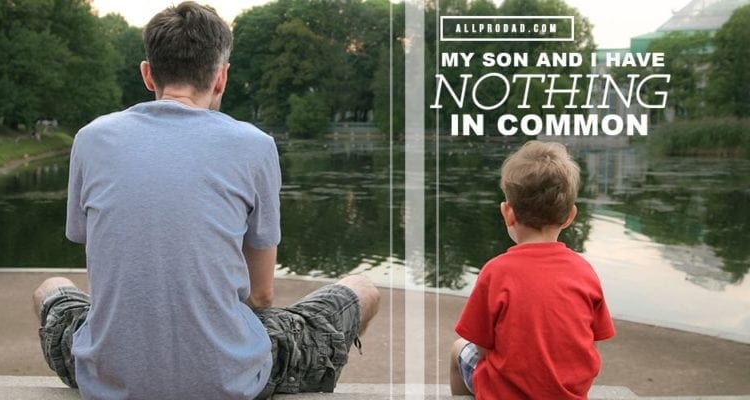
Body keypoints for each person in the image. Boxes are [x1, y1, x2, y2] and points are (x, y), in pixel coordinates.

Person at [32, 3, 380, 399]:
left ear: (147, 74)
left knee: (51, 288)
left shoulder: (91, 139)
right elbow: (262, 295)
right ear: (221, 77)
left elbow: (101, 259)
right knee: (363, 289)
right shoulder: (255, 145)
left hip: (107, 374)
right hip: (227, 381)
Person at [450, 141, 615, 400]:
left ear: (507, 213)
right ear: (570, 216)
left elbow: (482, 346)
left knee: (458, 349)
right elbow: (591, 340)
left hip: (505, 395)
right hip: (567, 394)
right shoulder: (584, 271)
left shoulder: (496, 272)